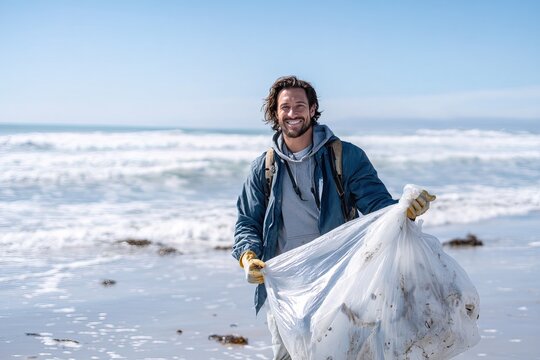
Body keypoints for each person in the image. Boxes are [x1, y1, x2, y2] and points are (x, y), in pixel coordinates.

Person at [232, 75, 435, 359]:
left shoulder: (345, 156)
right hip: (283, 283)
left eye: (300, 105)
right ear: (275, 114)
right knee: (285, 355)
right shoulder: (263, 168)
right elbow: (246, 221)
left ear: (313, 109)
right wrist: (248, 257)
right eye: (285, 107)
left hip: (339, 279)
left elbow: (377, 206)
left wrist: (405, 212)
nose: (293, 113)